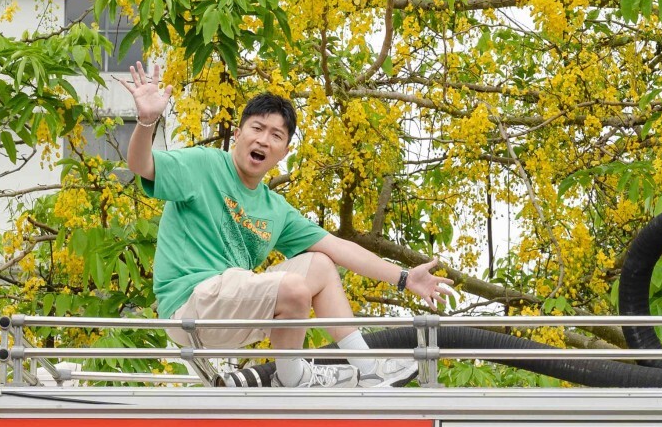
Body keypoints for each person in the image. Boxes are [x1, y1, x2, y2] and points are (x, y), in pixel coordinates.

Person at [125, 67, 451, 387]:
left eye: (276, 135)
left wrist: (405, 278)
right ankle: (292, 379)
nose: (264, 140)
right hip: (190, 304)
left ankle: (367, 369)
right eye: (257, 128)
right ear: (237, 134)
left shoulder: (274, 209)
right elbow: (142, 165)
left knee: (321, 265)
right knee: (294, 289)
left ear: (285, 152)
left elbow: (339, 248)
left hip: (229, 311)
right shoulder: (203, 164)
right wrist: (146, 121)